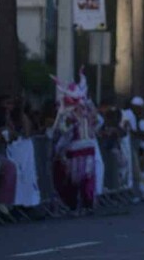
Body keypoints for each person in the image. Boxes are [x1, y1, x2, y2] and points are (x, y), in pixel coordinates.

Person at [51, 69, 99, 212]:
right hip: (74, 149)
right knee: (74, 178)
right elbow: (61, 130)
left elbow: (97, 123)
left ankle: (87, 203)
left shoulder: (87, 111)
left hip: (88, 148)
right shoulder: (67, 113)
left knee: (87, 176)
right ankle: (75, 204)